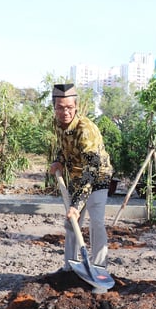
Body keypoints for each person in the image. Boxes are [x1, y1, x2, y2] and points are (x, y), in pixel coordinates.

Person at [48, 84, 114, 279]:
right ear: (55, 107)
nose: (65, 112)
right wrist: (59, 160)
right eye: (60, 107)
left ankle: (100, 269)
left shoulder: (85, 129)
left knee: (96, 222)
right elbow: (63, 145)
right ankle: (69, 268)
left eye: (69, 107)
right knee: (71, 222)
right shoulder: (58, 124)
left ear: (76, 106)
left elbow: (92, 168)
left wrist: (77, 204)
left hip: (98, 176)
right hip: (77, 177)